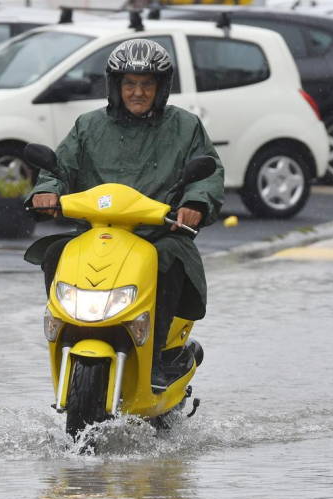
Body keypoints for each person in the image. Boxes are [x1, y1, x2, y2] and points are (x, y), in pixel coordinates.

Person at [27, 38, 224, 393]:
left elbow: (207, 173)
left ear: (161, 87)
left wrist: (196, 203)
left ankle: (157, 356)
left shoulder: (186, 126)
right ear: (115, 86)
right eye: (129, 83)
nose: (137, 92)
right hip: (96, 235)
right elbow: (59, 168)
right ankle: (68, 335)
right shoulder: (88, 126)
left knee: (167, 257)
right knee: (56, 253)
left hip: (158, 235)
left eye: (147, 84)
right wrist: (47, 191)